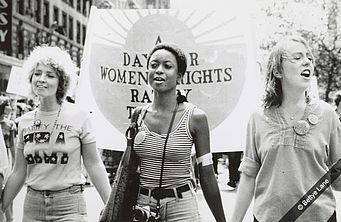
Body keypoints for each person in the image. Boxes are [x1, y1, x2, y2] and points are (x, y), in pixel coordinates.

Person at [231, 36, 341, 222]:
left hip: (320, 217)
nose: (307, 61)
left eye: (309, 58)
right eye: (297, 58)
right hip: (269, 218)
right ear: (277, 70)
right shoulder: (258, 118)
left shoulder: (327, 114)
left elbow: (338, 179)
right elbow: (249, 177)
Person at [1, 45, 111, 221]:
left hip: (69, 205)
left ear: (62, 82)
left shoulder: (79, 117)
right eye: (37, 73)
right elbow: (19, 172)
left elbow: (94, 164)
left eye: (50, 75)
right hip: (33, 205)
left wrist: (111, 204)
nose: (41, 79)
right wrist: (2, 205)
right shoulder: (24, 122)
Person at [132, 42, 226, 221]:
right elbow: (128, 170)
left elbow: (206, 175)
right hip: (142, 208)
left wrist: (221, 220)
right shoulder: (138, 115)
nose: (159, 70)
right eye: (154, 65)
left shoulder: (195, 117)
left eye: (167, 66)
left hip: (182, 208)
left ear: (179, 77)